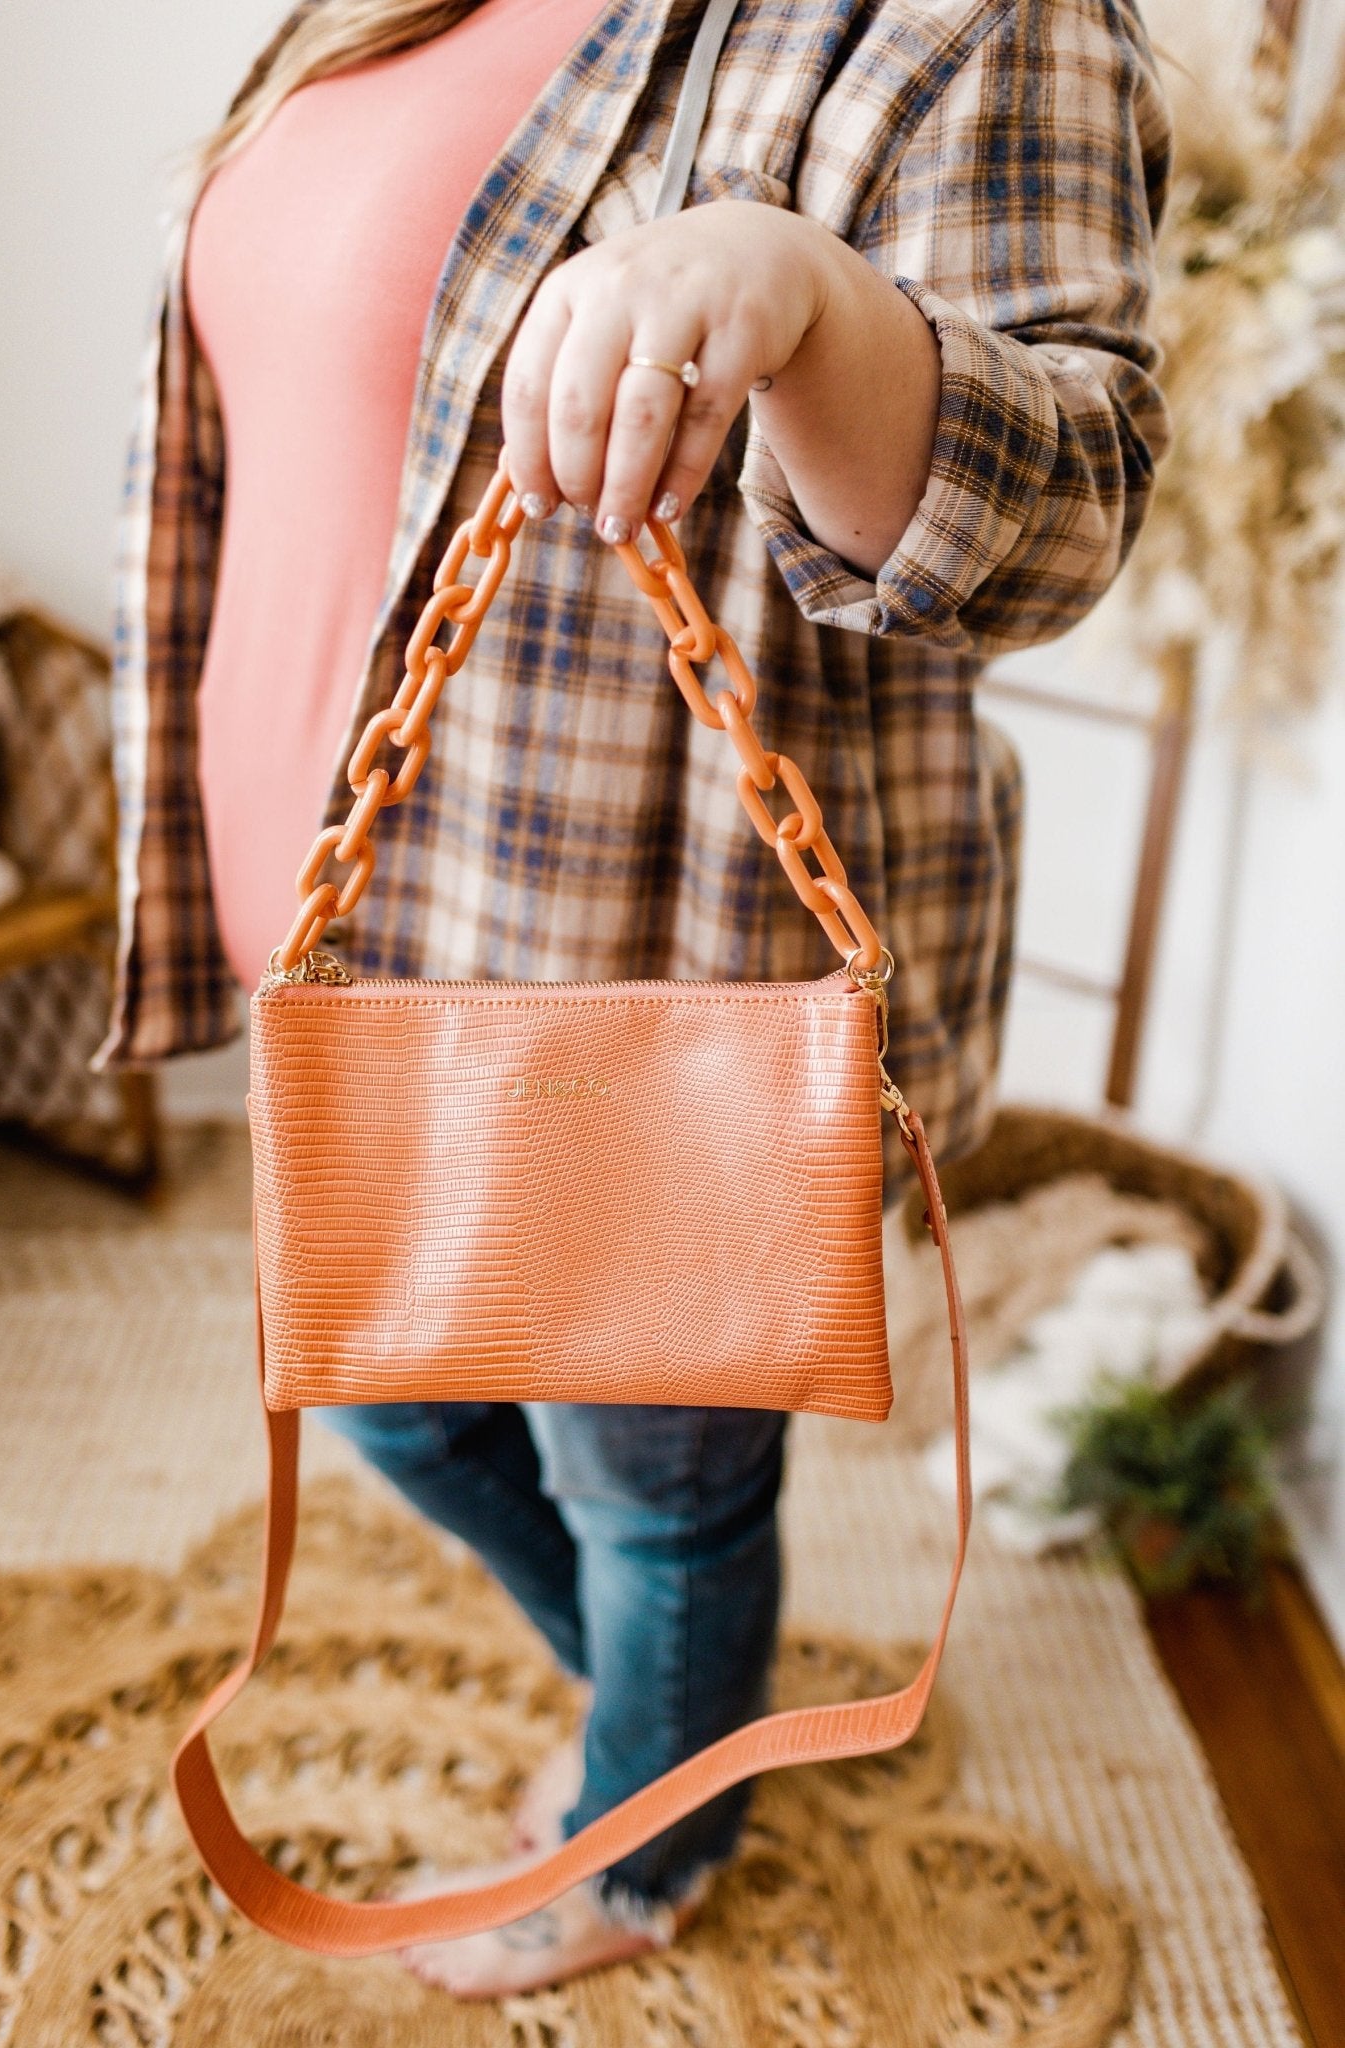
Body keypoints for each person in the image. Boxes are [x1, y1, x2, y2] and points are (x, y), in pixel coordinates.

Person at [100, 0, 1170, 2000]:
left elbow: (1068, 501)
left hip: (631, 985)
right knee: (402, 1406)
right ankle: (680, 1704)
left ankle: (652, 1834)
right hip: (333, 912)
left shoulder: (965, 20)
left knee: (649, 1488)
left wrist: (798, 295)